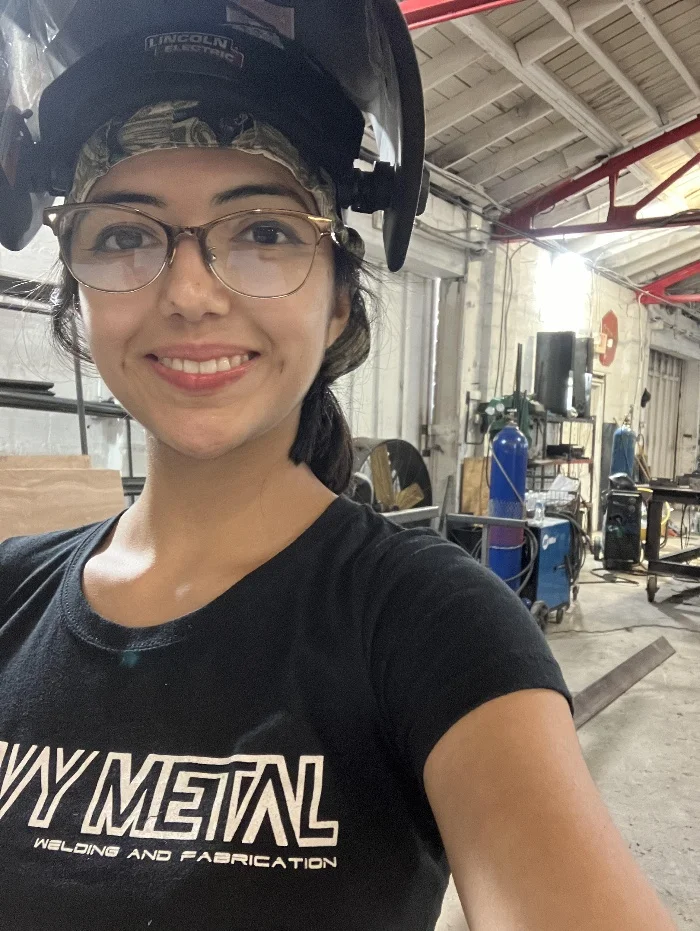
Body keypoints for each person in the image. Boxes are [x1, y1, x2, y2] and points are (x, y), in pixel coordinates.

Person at [0, 3, 678, 929]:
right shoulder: (11, 598)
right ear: (77, 297)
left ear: (337, 306)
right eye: (124, 234)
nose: (190, 292)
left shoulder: (429, 623)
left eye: (264, 231)